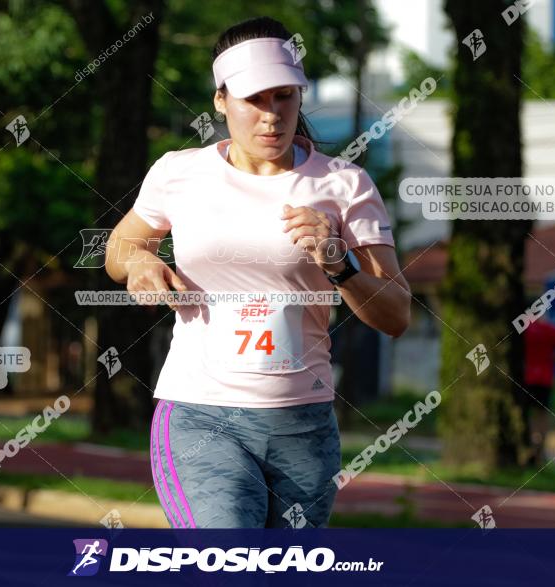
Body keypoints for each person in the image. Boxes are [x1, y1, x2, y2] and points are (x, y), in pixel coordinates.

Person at [105, 17, 410, 528]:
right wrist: (139, 262)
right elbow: (120, 245)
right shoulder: (179, 172)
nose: (271, 116)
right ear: (221, 100)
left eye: (284, 97)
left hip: (303, 425)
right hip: (200, 413)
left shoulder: (344, 185)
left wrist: (340, 262)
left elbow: (396, 314)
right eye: (254, 100)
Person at [523, 317, 555, 465]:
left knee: (528, 414)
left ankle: (530, 448)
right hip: (545, 378)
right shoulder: (551, 329)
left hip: (528, 378)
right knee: (542, 415)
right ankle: (541, 453)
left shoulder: (523, 330)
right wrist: (549, 360)